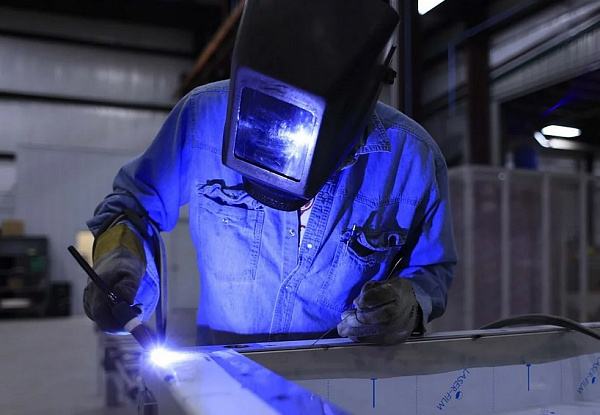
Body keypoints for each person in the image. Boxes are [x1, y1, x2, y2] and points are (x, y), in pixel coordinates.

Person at [83, 0, 457, 346]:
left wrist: (409, 303)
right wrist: (121, 259)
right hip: (226, 378)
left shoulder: (412, 160)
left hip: (338, 381)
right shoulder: (204, 117)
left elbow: (432, 270)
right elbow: (133, 207)